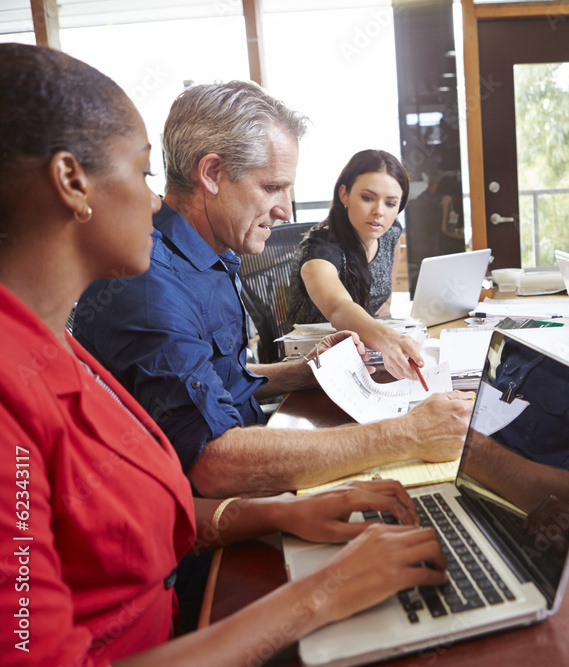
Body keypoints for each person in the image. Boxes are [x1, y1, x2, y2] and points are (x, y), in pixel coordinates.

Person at [0, 43, 449, 667]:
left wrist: (275, 515)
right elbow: (205, 464)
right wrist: (320, 593)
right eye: (143, 173)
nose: (156, 201)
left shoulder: (58, 348)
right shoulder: (129, 305)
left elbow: (162, 508)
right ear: (73, 183)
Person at [73, 83, 473, 498]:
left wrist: (304, 372)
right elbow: (213, 463)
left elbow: (213, 383)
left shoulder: (209, 253)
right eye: (271, 188)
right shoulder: (150, 284)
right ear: (211, 174)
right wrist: (407, 434)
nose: (285, 211)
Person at [284, 150, 422, 380]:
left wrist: (386, 317)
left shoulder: (391, 234)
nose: (379, 211)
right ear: (344, 195)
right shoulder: (320, 248)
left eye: (390, 203)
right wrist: (388, 339)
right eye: (368, 198)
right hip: (313, 368)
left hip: (363, 359)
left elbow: (385, 301)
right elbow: (339, 307)